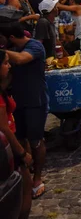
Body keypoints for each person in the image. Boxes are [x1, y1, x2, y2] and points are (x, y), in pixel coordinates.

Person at [2, 23, 47, 199]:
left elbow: (21, 59)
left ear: (11, 37)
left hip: (35, 101)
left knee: (36, 141)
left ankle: (38, 178)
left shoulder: (35, 46)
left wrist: (3, 54)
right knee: (20, 139)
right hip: (17, 102)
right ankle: (26, 176)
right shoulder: (12, 48)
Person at [0, 49, 33, 218]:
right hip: (9, 148)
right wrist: (21, 152)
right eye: (5, 63)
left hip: (8, 146)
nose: (9, 66)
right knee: (25, 190)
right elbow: (4, 128)